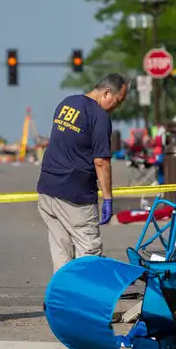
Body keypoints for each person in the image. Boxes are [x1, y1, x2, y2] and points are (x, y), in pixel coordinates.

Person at [36, 74, 129, 273]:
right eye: (118, 101)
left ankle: (62, 299)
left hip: (47, 189)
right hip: (75, 194)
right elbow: (101, 162)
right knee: (89, 250)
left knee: (61, 250)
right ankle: (84, 300)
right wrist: (108, 199)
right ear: (106, 93)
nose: (116, 107)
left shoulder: (66, 104)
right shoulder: (99, 116)